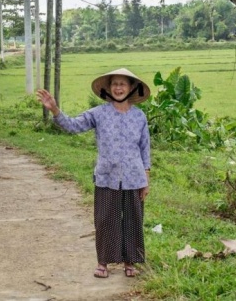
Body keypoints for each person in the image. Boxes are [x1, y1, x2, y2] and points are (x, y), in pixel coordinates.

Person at [36, 68, 151, 279]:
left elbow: (145, 148)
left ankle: (130, 262)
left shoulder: (139, 116)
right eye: (114, 84)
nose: (118, 88)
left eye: (122, 84)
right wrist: (54, 110)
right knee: (105, 219)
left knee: (133, 220)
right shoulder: (98, 114)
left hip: (135, 177)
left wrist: (146, 178)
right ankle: (103, 263)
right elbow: (72, 126)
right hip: (107, 177)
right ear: (108, 89)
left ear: (131, 88)